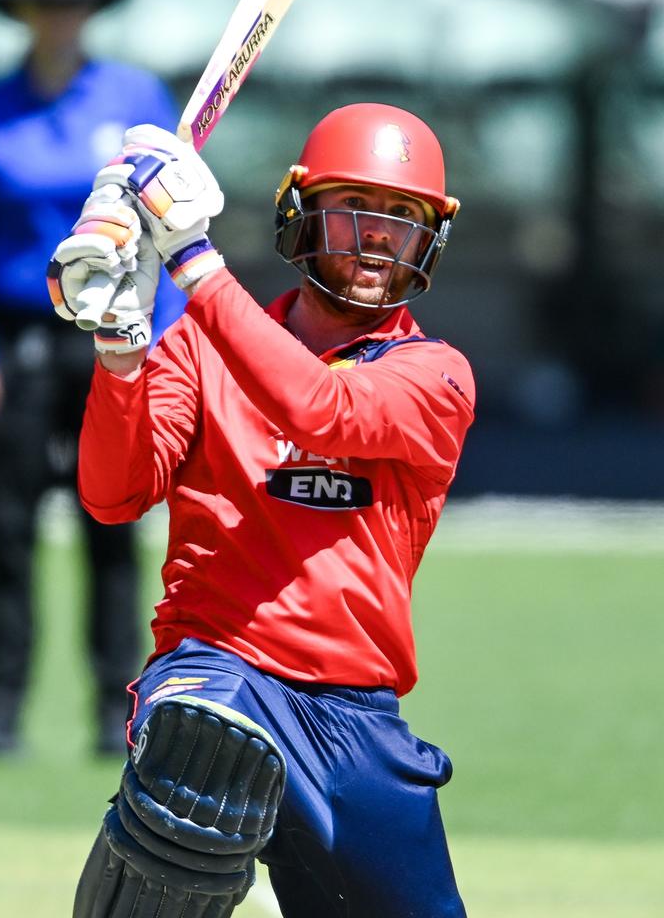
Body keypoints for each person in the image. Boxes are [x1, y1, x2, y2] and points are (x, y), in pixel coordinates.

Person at [48, 103, 475, 916]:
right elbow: (113, 495)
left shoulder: (436, 375)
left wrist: (191, 259)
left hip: (354, 719)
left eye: (402, 218)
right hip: (221, 671)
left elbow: (322, 409)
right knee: (203, 750)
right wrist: (121, 352)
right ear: (304, 212)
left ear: (431, 239)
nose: (378, 236)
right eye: (355, 209)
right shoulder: (199, 347)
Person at [0, 0, 186, 757]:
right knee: (7, 526)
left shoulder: (133, 97)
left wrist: (167, 341)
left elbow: (171, 225)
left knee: (110, 521)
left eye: (71, 3)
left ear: (89, 11)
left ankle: (118, 708)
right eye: (45, 3)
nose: (59, 18)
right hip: (16, 336)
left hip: (110, 332)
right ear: (25, 12)